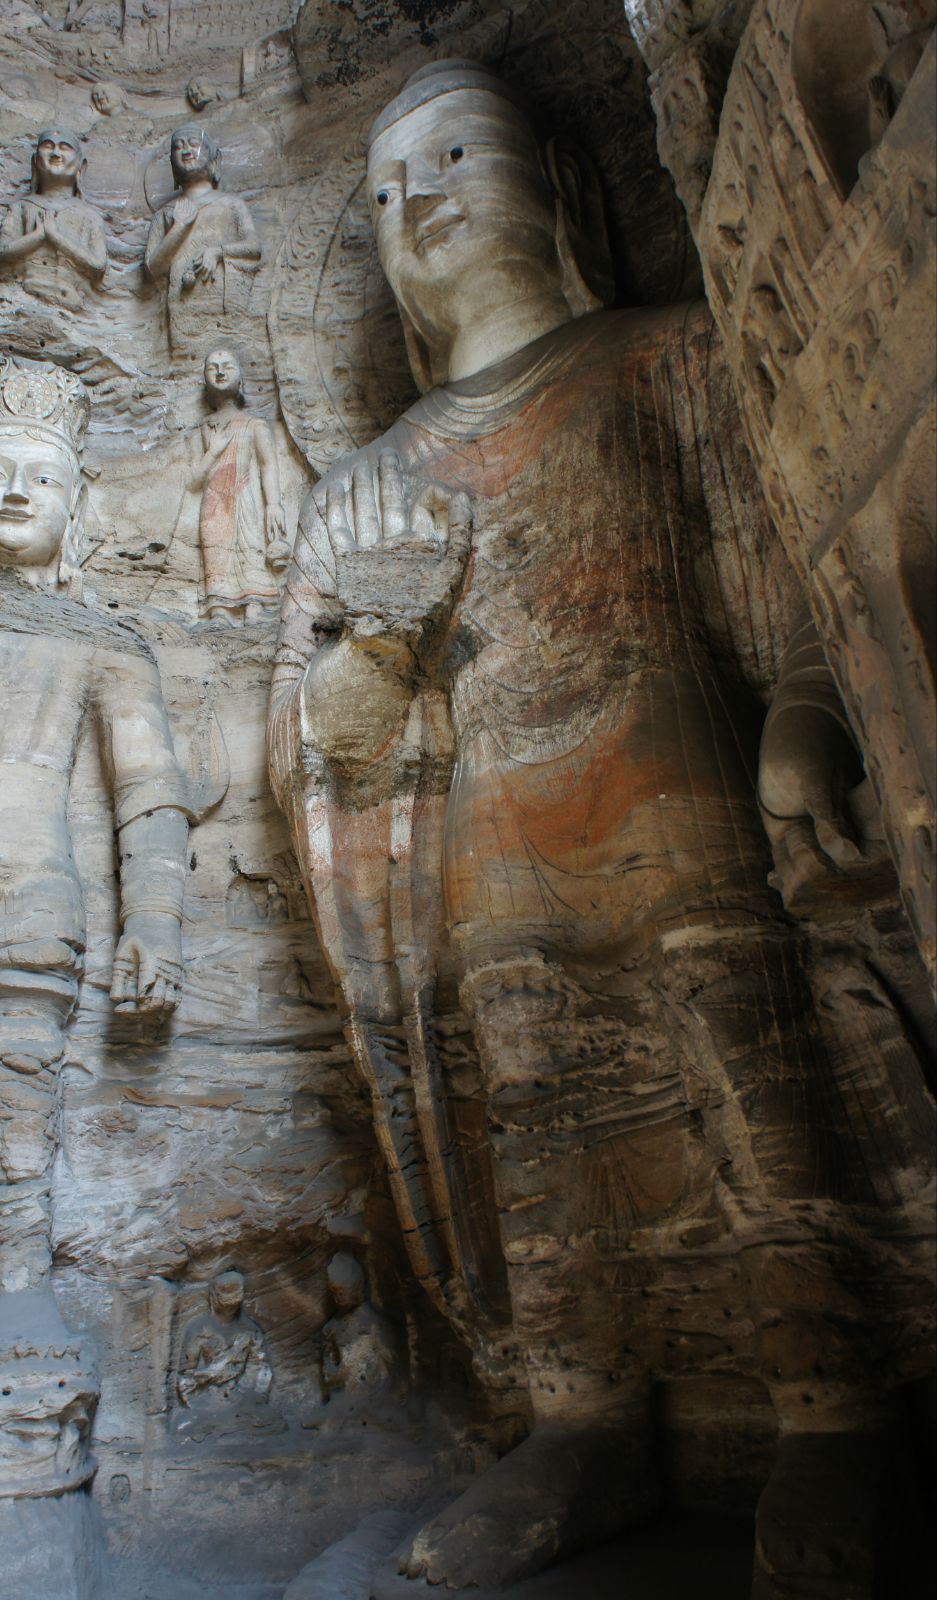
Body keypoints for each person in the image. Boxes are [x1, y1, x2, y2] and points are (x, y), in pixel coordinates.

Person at [268, 60, 932, 1594]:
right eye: (380, 193)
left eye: (448, 155)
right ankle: (584, 1418)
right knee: (548, 1130)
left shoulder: (670, 361)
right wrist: (372, 645)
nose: (414, 199)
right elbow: (338, 763)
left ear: (559, 189)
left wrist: (801, 738)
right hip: (493, 858)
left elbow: (780, 612)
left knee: (760, 1100)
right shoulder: (363, 486)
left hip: (688, 801)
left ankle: (835, 1412)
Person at [0, 356, 194, 1363]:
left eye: (41, 477)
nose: (15, 491)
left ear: (76, 513)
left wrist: (156, 920)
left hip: (32, 887)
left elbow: (151, 791)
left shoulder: (104, 641)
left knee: (24, 1091)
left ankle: (20, 1286)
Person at [144, 124, 261, 357]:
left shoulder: (231, 204)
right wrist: (180, 227)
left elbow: (254, 248)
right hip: (183, 305)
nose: (186, 151)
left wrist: (217, 251)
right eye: (179, 147)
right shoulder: (167, 213)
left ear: (213, 158)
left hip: (225, 301)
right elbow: (152, 268)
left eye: (194, 145)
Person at [192, 344, 287, 623]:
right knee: (216, 552)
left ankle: (254, 608)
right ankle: (219, 611)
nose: (220, 372)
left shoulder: (255, 425)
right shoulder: (204, 428)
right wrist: (214, 450)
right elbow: (194, 480)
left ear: (241, 378)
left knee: (250, 548)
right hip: (214, 500)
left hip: (245, 495)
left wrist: (274, 505)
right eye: (213, 367)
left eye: (227, 366)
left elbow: (269, 465)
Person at [0, 127, 106, 310]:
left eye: (65, 148)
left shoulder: (88, 216)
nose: (55, 153)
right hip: (22, 295)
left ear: (81, 165)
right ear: (35, 161)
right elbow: (2, 254)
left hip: (69, 299)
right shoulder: (22, 207)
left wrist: (56, 238)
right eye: (48, 146)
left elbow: (98, 265)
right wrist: (37, 236)